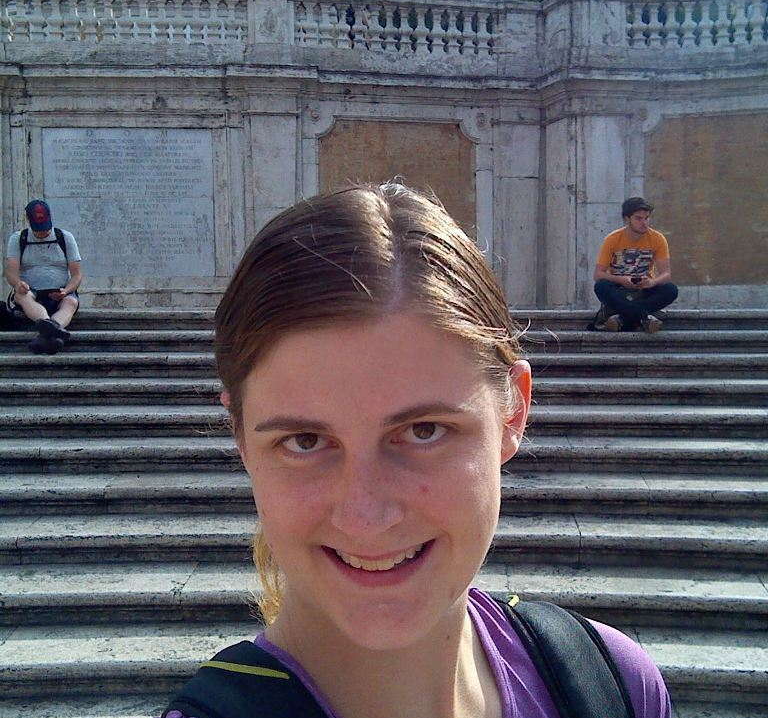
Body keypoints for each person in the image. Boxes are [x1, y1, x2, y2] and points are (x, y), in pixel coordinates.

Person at [162, 183, 671, 718]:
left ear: (512, 413)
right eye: (304, 442)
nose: (366, 518)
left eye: (424, 430)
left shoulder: (616, 683)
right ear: (241, 437)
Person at [4, 199, 82, 354]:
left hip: (59, 291)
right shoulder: (18, 239)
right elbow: (11, 272)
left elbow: (77, 274)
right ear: (28, 220)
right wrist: (18, 284)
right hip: (31, 291)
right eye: (38, 229)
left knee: (71, 302)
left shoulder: (65, 237)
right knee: (22, 296)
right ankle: (51, 327)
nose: (42, 232)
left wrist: (66, 291)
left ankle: (47, 332)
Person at [593, 197, 678, 333]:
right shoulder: (612, 239)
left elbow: (666, 274)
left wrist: (652, 282)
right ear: (627, 219)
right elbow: (598, 275)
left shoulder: (657, 238)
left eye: (647, 218)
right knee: (601, 286)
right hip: (619, 288)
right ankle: (644, 317)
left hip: (644, 288)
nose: (644, 223)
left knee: (671, 290)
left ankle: (622, 318)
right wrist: (621, 280)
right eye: (638, 218)